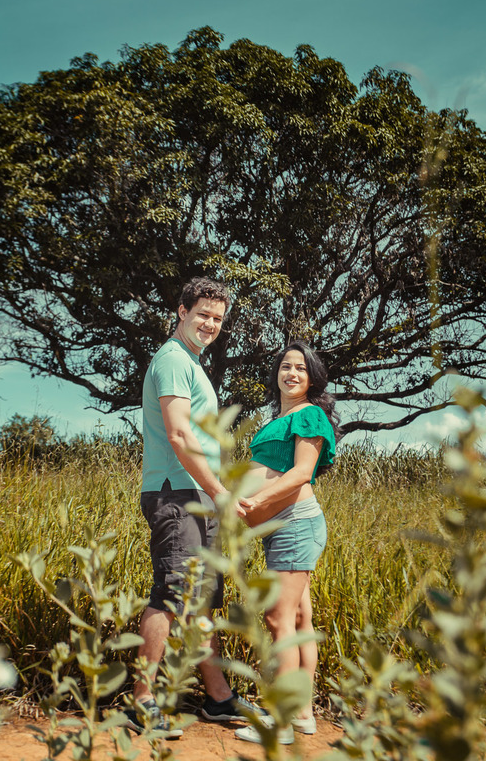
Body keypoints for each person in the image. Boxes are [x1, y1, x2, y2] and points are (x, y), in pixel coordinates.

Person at [126, 277, 261, 736]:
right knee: (170, 594)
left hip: (197, 495)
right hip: (176, 492)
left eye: (218, 319)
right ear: (182, 311)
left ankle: (219, 700)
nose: (210, 324)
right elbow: (180, 435)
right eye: (202, 313)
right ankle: (142, 701)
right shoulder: (171, 359)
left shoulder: (192, 363)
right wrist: (219, 491)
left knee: (200, 600)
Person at [233, 341, 339, 745]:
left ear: (312, 378)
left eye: (300, 368)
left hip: (295, 525)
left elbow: (300, 474)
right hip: (282, 527)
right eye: (285, 366)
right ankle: (303, 714)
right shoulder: (280, 416)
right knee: (297, 622)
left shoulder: (310, 415)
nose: (291, 373)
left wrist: (256, 500)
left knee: (279, 621)